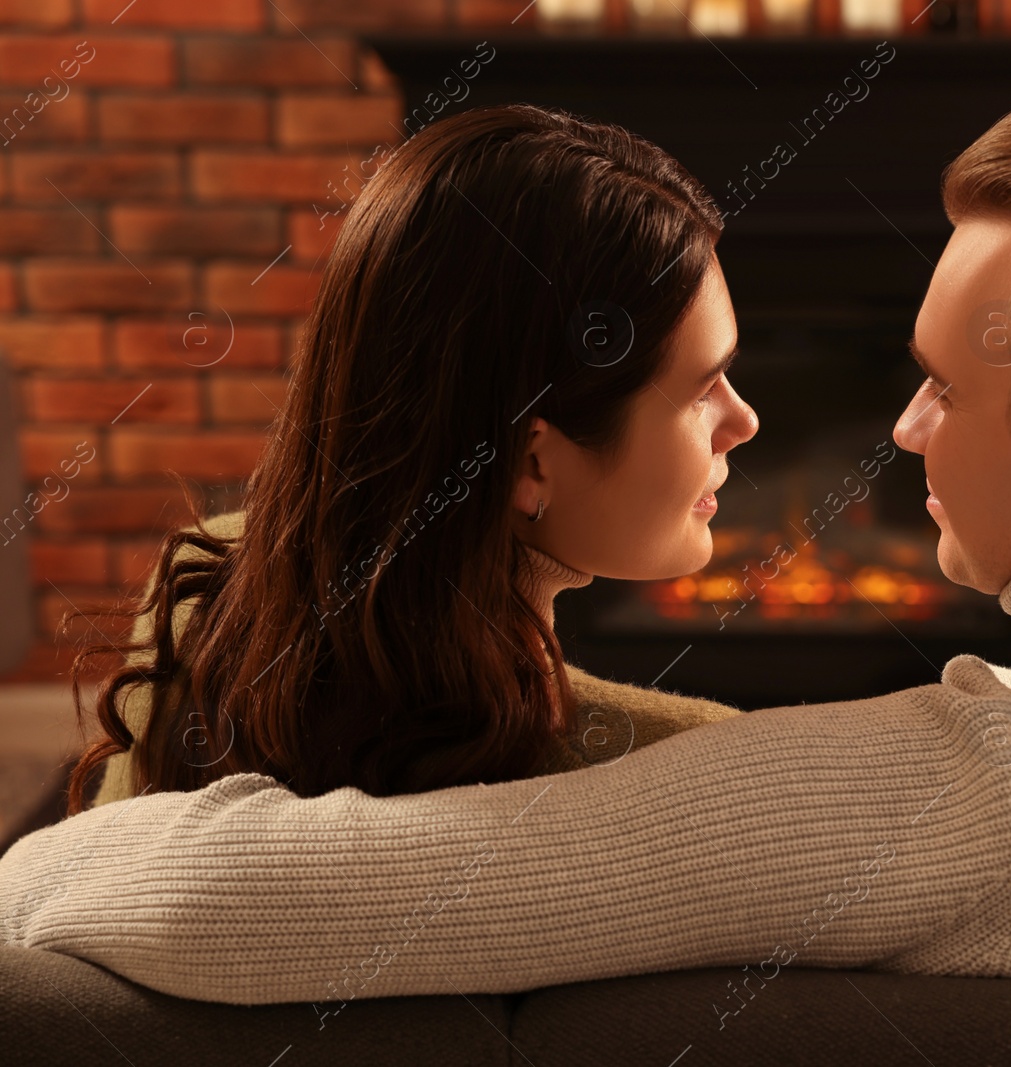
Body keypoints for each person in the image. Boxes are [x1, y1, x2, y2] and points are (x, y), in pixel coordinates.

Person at [0, 88, 1011, 1009]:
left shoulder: (895, 800)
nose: (910, 425)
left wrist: (33, 868)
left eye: (949, 382)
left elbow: (255, 896)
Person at [71, 102, 758, 814]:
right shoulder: (680, 767)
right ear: (533, 466)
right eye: (704, 388)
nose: (743, 419)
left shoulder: (195, 603)